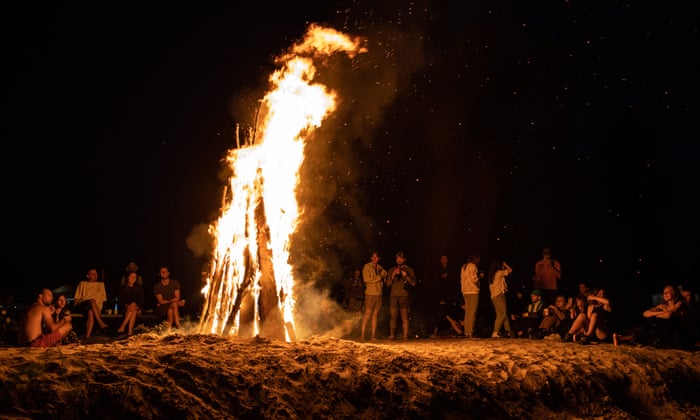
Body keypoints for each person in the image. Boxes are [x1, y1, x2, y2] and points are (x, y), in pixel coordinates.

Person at [616, 284, 683, 347]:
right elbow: (645, 313)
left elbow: (668, 315)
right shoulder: (662, 306)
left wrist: (656, 314)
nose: (665, 294)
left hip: (674, 333)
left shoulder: (679, 304)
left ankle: (628, 339)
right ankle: (634, 339)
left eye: (667, 292)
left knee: (662, 320)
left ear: (674, 293)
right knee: (651, 320)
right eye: (664, 292)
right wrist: (659, 313)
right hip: (660, 332)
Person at [385, 251, 417, 340]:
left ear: (404, 259)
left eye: (401, 258)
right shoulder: (391, 269)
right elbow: (387, 284)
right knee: (393, 316)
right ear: (396, 260)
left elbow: (414, 283)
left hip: (404, 295)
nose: (399, 260)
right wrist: (392, 275)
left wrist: (406, 276)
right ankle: (392, 335)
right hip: (393, 296)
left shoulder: (409, 269)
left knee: (404, 316)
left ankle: (405, 336)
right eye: (397, 258)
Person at [430, 255, 462, 337]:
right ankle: (435, 333)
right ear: (440, 260)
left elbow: (455, 281)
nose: (444, 260)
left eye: (445, 258)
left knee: (450, 310)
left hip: (450, 294)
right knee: (440, 311)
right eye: (442, 259)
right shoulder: (437, 269)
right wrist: (441, 277)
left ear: (448, 260)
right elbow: (434, 282)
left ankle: (457, 329)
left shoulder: (452, 269)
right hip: (440, 294)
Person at [73, 268, 109, 338]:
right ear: (87, 276)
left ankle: (87, 336)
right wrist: (74, 308)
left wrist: (104, 310)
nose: (95, 275)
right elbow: (77, 298)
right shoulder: (83, 283)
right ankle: (100, 322)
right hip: (83, 305)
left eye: (96, 274)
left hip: (95, 308)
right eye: (92, 274)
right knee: (92, 301)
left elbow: (104, 300)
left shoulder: (101, 285)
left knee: (91, 312)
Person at [360, 252, 387, 341]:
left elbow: (385, 277)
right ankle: (362, 336)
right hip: (370, 294)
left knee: (375, 315)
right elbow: (366, 279)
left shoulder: (380, 267)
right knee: (367, 315)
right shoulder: (367, 267)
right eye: (373, 257)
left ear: (378, 258)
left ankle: (373, 337)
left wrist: (385, 277)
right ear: (371, 258)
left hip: (379, 294)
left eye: (377, 257)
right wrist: (379, 277)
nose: (375, 258)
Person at [487, 258, 514, 338]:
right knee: (502, 314)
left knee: (502, 314)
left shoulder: (492, 275)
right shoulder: (499, 273)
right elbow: (510, 270)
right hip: (499, 295)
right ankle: (495, 332)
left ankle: (508, 332)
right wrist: (505, 264)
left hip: (494, 296)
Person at [460, 253, 482, 338]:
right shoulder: (473, 266)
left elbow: (461, 279)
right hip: (473, 291)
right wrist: (480, 277)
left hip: (465, 291)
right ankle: (471, 331)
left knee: (468, 312)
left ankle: (467, 331)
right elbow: (474, 279)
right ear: (476, 259)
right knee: (472, 312)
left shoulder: (463, 267)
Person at [117, 271, 145, 336]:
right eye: (131, 276)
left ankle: (122, 326)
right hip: (125, 308)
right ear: (128, 278)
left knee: (133, 308)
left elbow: (141, 300)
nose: (133, 278)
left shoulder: (139, 288)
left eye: (135, 277)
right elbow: (121, 300)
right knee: (133, 311)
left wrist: (137, 306)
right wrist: (127, 305)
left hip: (137, 308)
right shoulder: (123, 288)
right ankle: (130, 332)